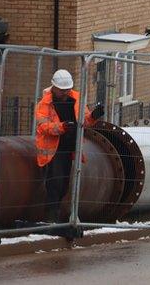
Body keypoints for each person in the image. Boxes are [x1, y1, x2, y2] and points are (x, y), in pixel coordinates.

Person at [35, 69, 104, 223]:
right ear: (54, 87)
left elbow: (84, 121)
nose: (65, 93)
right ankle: (50, 218)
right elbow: (44, 127)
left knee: (64, 185)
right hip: (53, 151)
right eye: (62, 90)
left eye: (67, 89)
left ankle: (55, 216)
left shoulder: (76, 99)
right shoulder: (44, 104)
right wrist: (63, 127)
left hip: (69, 149)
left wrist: (93, 116)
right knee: (55, 183)